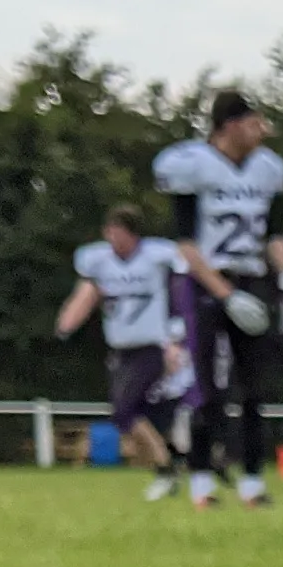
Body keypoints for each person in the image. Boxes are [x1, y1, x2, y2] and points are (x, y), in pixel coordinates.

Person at [151, 91, 283, 505]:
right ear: (230, 125)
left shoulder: (267, 169)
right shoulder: (193, 166)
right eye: (254, 121)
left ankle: (251, 481)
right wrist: (225, 294)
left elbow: (275, 233)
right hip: (205, 283)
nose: (262, 129)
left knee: (254, 388)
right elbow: (187, 245)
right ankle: (201, 482)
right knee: (207, 387)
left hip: (251, 278)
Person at [55, 206, 192, 499]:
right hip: (119, 349)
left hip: (151, 347)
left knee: (125, 410)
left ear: (132, 234)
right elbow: (87, 292)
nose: (113, 240)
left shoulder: (156, 256)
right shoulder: (98, 260)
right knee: (131, 416)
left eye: (118, 233)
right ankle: (174, 458)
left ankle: (166, 470)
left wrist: (177, 338)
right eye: (109, 233)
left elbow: (181, 286)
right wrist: (67, 323)